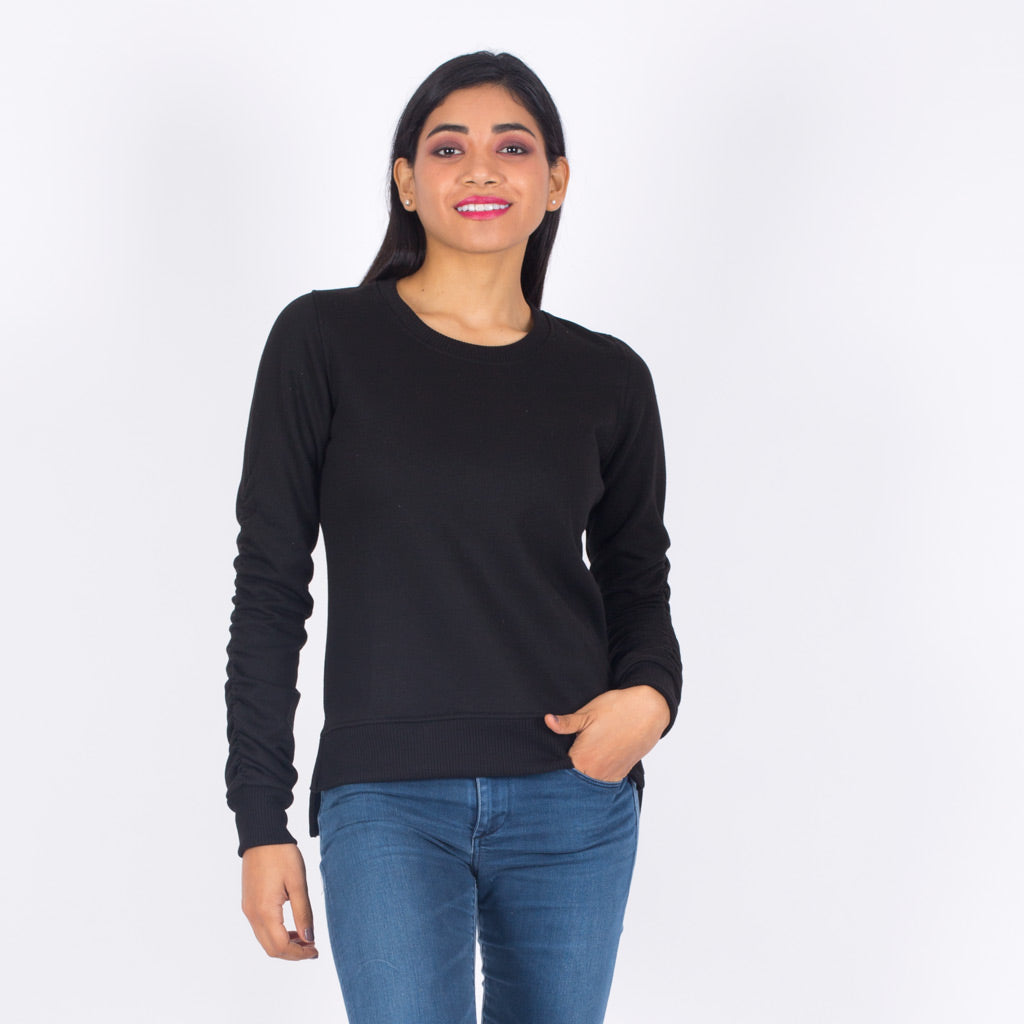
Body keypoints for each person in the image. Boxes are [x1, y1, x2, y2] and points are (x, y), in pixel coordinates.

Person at [224, 50, 683, 1024]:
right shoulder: (323, 342)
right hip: (387, 801)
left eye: (513, 147)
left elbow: (637, 579)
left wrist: (651, 696)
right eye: (448, 148)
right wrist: (260, 819)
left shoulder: (607, 377)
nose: (481, 167)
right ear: (406, 181)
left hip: (573, 795)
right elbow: (269, 586)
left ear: (555, 181)